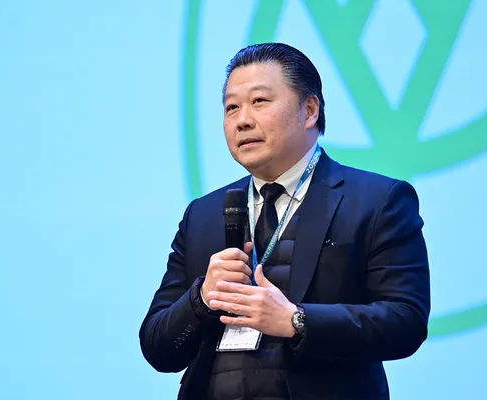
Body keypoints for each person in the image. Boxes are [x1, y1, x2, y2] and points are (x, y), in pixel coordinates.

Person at [139, 42, 430, 400]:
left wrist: (297, 321)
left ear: (309, 111)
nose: (242, 120)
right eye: (231, 107)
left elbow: (405, 321)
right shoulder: (202, 214)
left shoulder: (376, 200)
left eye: (259, 101)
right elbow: (157, 347)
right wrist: (201, 298)